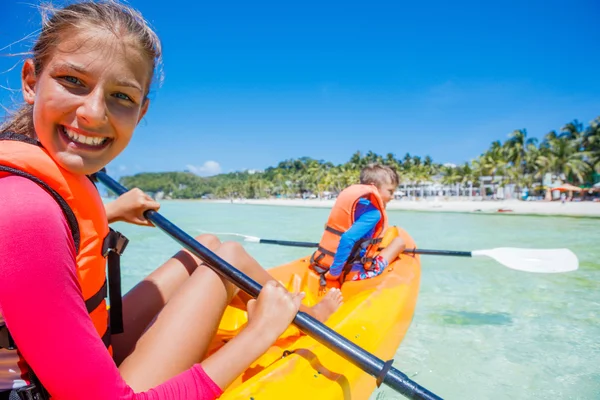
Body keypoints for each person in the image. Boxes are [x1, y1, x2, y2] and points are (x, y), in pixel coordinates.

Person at [0, 2, 341, 399]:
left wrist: (111, 211)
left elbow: (48, 244)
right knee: (226, 258)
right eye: (73, 81)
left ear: (141, 112)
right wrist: (259, 334)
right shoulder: (23, 212)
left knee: (206, 248)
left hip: (72, 362)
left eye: (121, 96)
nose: (93, 113)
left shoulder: (33, 180)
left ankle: (299, 315)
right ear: (31, 81)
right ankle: (285, 318)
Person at [310, 163, 407, 288]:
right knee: (399, 242)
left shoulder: (352, 205)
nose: (392, 197)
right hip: (353, 273)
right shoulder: (374, 213)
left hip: (324, 262)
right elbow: (347, 239)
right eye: (390, 191)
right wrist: (334, 274)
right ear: (374, 187)